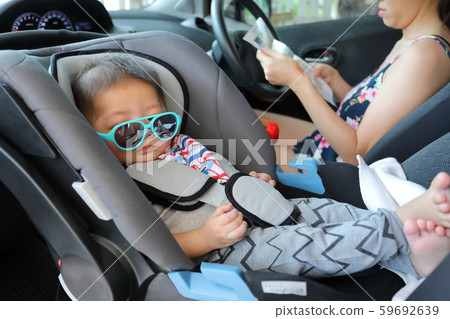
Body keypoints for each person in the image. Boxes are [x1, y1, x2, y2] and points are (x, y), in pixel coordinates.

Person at [72, 53, 449, 281]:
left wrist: (253, 184)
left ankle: (411, 253)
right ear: (96, 140)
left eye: (161, 121)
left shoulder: (186, 150)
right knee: (311, 246)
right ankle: (399, 225)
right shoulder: (124, 184)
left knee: (334, 212)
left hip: (269, 207)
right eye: (129, 131)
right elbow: (147, 243)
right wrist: (206, 238)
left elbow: (223, 180)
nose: (151, 136)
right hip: (231, 247)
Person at [256, 0, 450, 167]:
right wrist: (336, 83)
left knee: (236, 133)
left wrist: (297, 82)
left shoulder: (425, 54)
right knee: (243, 118)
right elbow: (375, 117)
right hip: (325, 146)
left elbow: (359, 155)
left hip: (329, 171)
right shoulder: (413, 42)